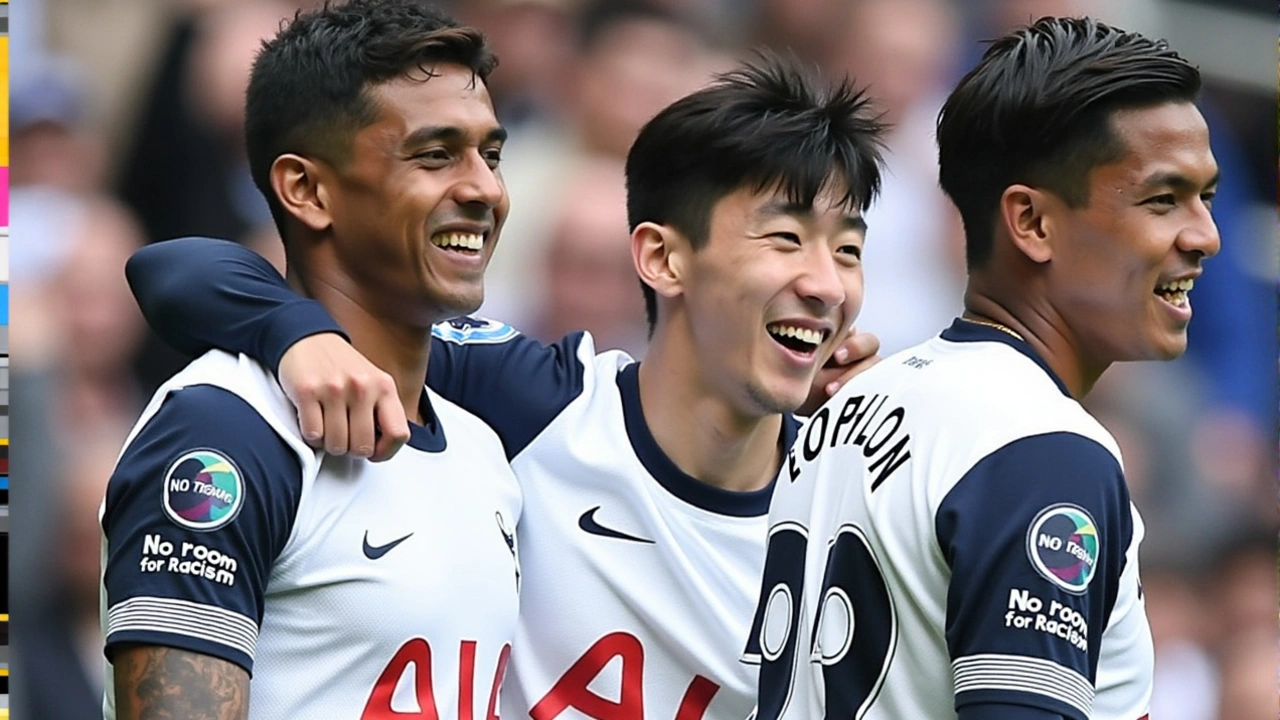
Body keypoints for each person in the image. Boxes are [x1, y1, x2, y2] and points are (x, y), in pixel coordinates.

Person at [124, 52, 886, 719]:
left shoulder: (856, 505)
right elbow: (174, 269)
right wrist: (296, 333)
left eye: (849, 250)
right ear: (661, 260)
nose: (824, 283)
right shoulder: (532, 404)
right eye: (783, 238)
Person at [746, 16, 1218, 720]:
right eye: (1161, 199)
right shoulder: (1044, 451)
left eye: (1205, 197)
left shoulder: (847, 405)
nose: (1204, 236)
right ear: (1030, 223)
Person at [99, 2, 522, 718]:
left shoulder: (481, 449)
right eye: (435, 154)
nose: (485, 189)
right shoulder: (224, 430)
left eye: (492, 154)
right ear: (306, 190)